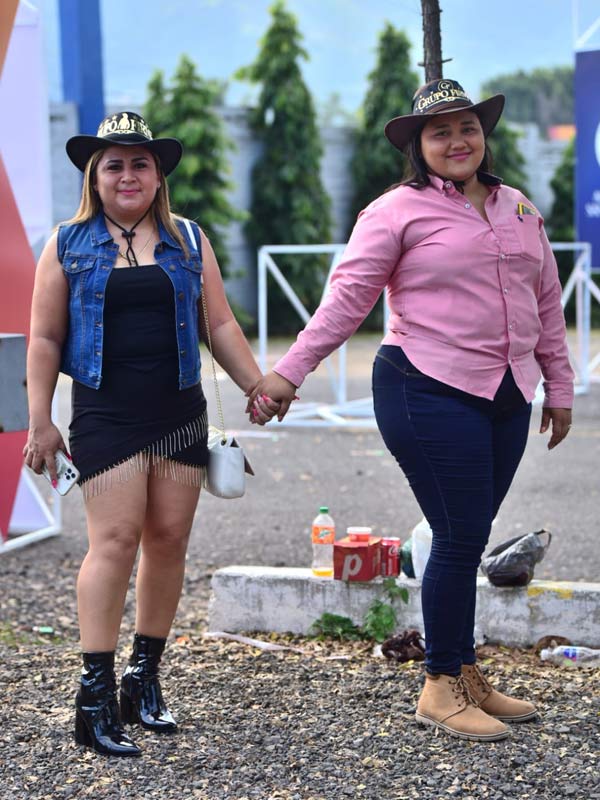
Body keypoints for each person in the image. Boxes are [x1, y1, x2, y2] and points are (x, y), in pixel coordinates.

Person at [247, 79, 574, 742]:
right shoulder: (395, 212)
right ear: (419, 146)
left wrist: (559, 388)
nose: (457, 141)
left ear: (484, 136)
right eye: (440, 132)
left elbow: (547, 305)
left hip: (508, 393)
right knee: (456, 538)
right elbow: (346, 303)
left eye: (468, 128)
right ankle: (437, 686)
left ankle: (466, 674)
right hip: (423, 385)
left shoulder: (518, 208)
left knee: (470, 535)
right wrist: (288, 372)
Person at [23, 111, 276, 757]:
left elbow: (218, 324)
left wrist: (257, 384)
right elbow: (46, 337)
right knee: (113, 542)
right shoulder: (67, 242)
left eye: (141, 163)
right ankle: (94, 695)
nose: (128, 174)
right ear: (95, 175)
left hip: (180, 411)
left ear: (158, 174)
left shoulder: (188, 239)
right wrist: (41, 420)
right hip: (107, 413)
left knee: (168, 540)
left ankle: (144, 680)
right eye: (115, 164)